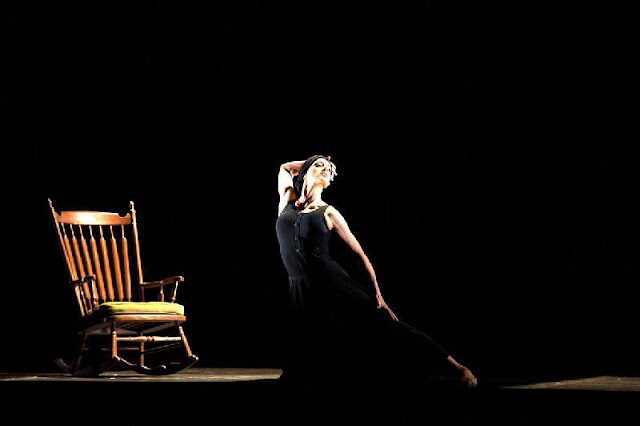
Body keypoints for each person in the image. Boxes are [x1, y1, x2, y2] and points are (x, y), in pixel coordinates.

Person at [275, 154, 477, 387]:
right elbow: (285, 167)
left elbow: (360, 256)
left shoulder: (329, 212)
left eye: (329, 169)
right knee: (308, 339)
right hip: (298, 286)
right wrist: (315, 160)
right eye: (319, 166)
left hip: (331, 281)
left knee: (386, 323)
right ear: (304, 173)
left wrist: (377, 294)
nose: (325, 170)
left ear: (330, 181)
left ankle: (457, 367)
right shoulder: (286, 200)